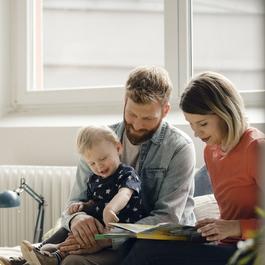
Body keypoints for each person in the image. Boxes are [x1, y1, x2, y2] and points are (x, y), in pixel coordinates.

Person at [0, 65, 196, 265]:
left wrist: (107, 238)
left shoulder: (179, 148)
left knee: (73, 261)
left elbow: (168, 218)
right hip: (102, 228)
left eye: (147, 118)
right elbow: (74, 203)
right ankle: (32, 258)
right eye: (132, 115)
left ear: (165, 111)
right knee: (67, 229)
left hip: (147, 238)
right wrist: (78, 219)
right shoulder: (98, 140)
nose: (137, 125)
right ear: (124, 102)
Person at [120, 71, 265, 265]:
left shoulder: (256, 148)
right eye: (192, 125)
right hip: (225, 245)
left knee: (149, 250)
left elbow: (234, 224)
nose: (197, 133)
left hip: (253, 250)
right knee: (148, 243)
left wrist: (235, 227)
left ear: (225, 113)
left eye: (203, 124)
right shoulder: (211, 151)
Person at [18, 125, 146, 265]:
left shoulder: (127, 173)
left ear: (118, 148)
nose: (99, 166)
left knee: (76, 245)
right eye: (92, 163)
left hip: (118, 237)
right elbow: (93, 202)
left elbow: (125, 193)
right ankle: (35, 257)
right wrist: (82, 206)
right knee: (68, 228)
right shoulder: (94, 179)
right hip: (96, 229)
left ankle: (53, 255)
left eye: (103, 158)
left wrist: (111, 209)